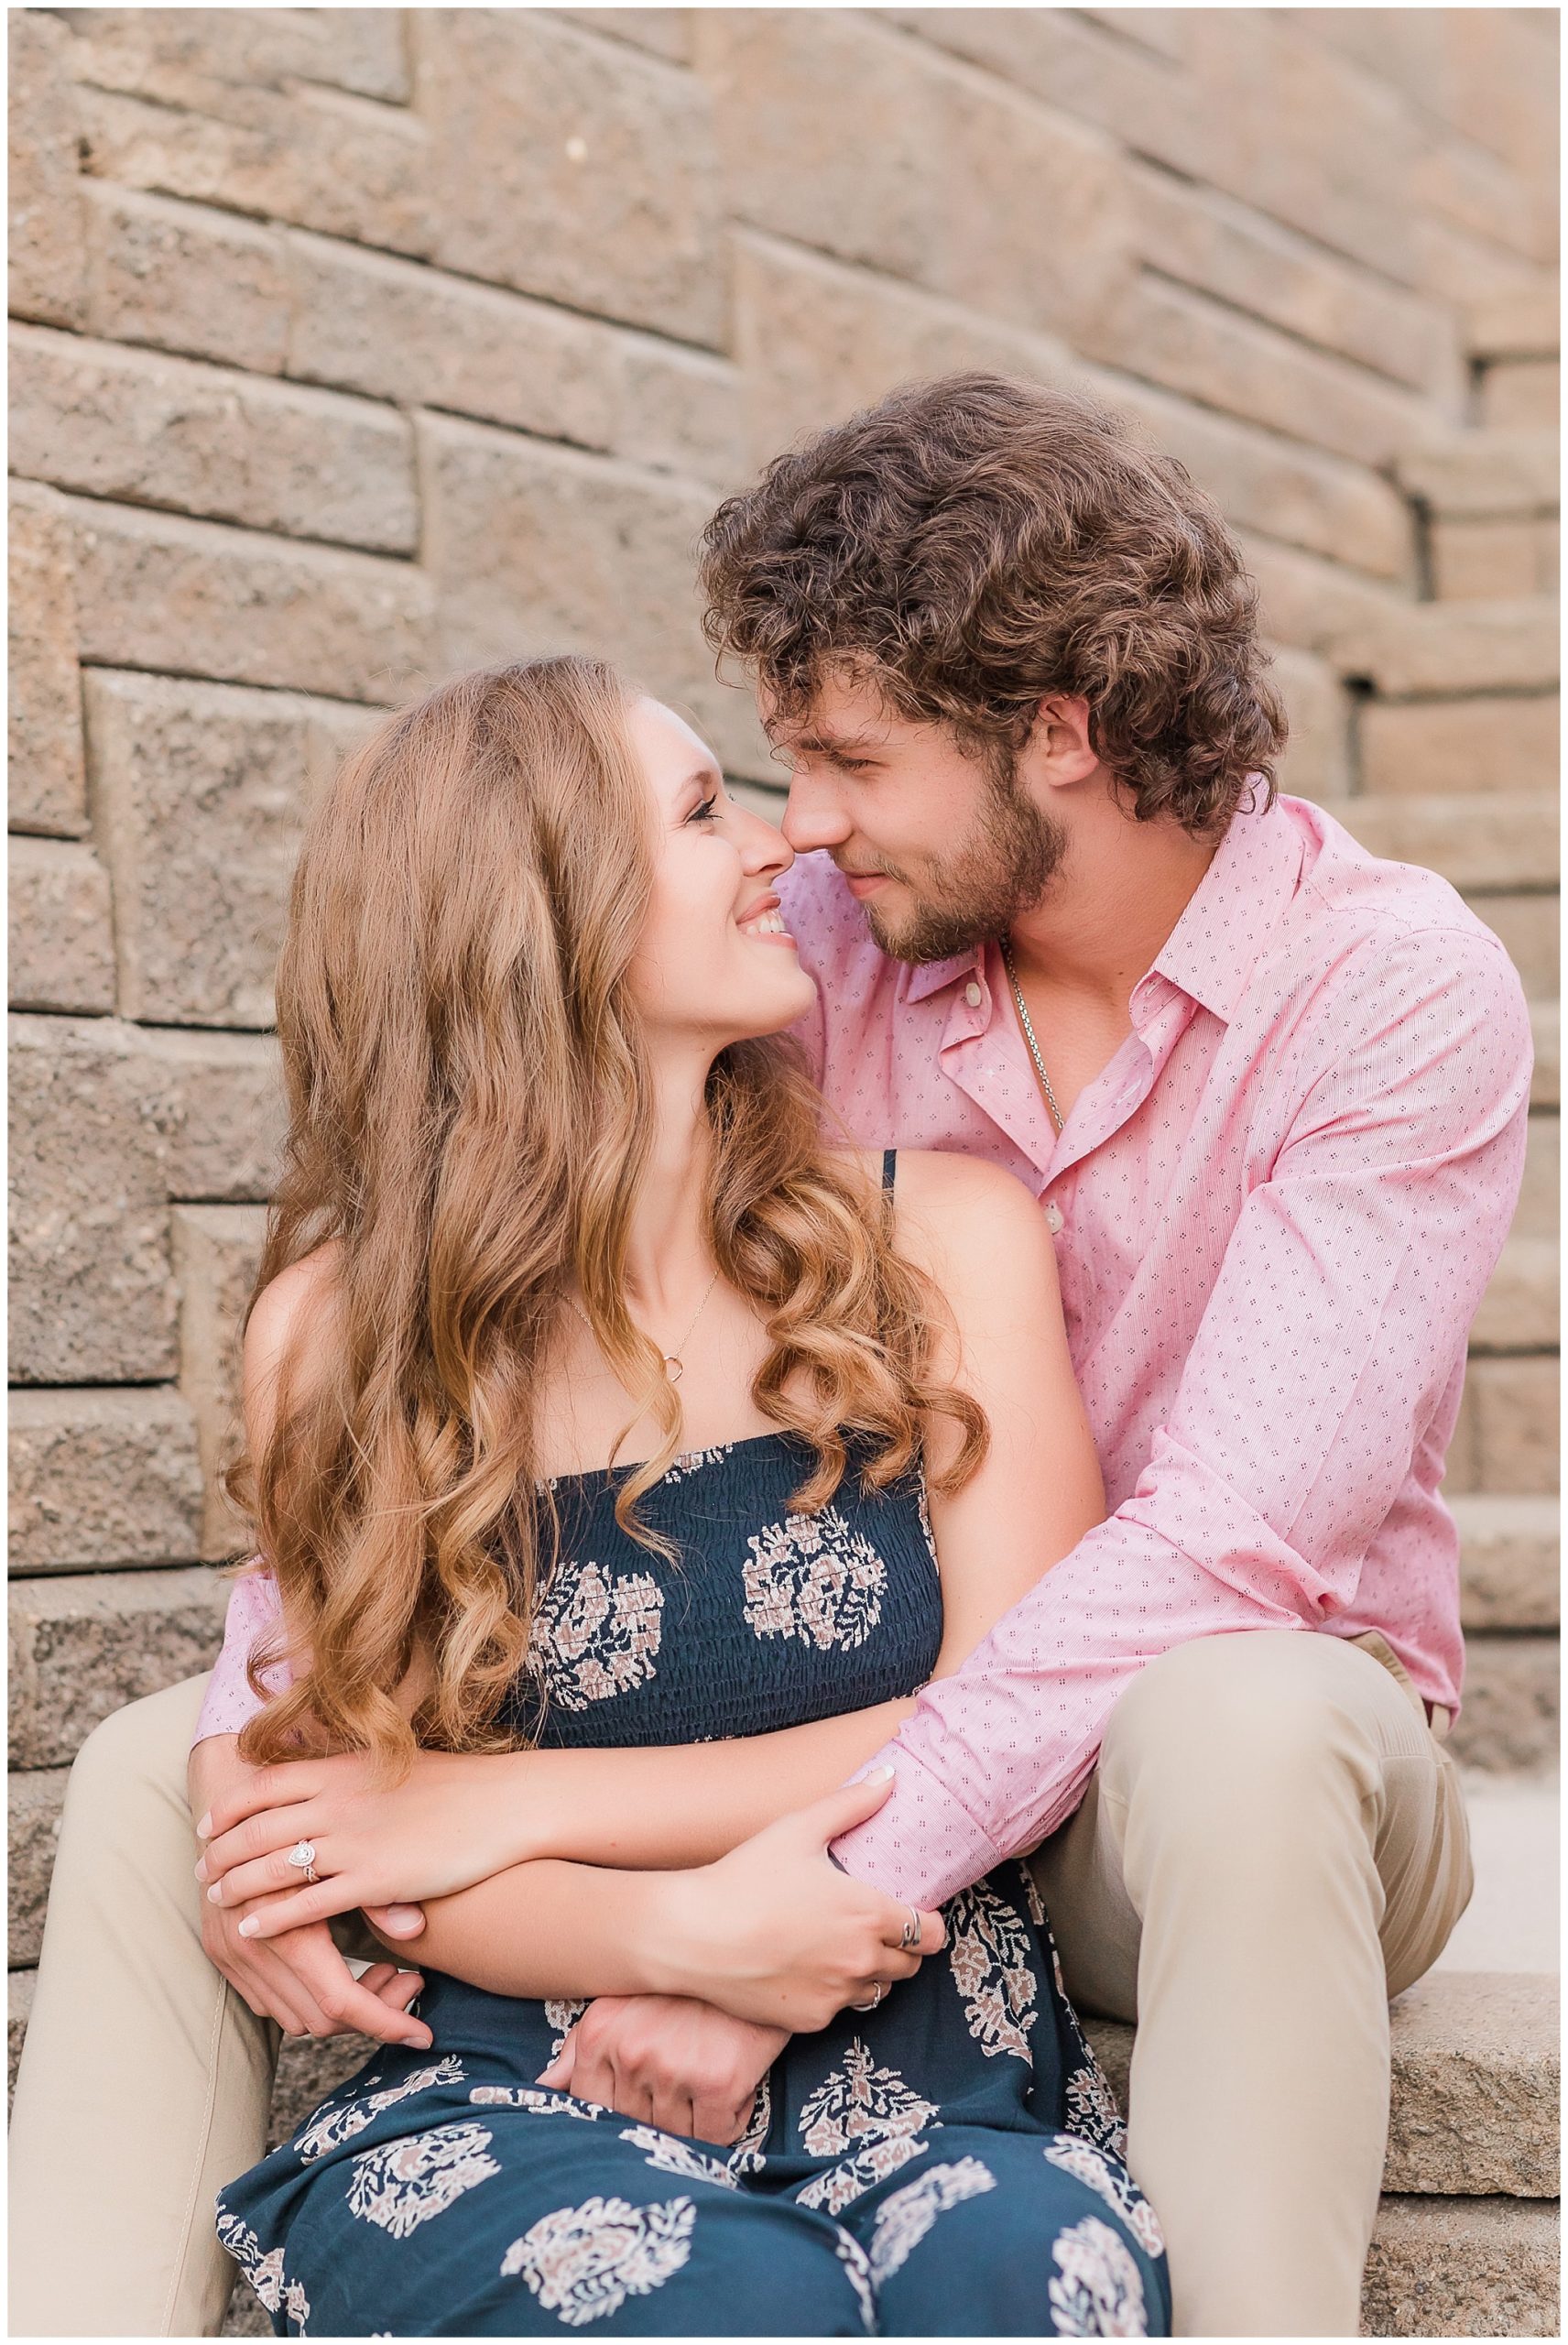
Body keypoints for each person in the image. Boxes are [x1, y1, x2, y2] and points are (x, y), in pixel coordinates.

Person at [9, 372, 1527, 2339]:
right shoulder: (827, 936)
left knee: (1225, 1716)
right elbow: (508, 1196)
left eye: (842, 762)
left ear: (1052, 733)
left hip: (1184, 1812)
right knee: (163, 1769)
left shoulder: (1384, 990)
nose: (798, 826)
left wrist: (685, 1927)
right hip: (869, 1737)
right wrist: (280, 1755)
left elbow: (1210, 1550)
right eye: (761, 779)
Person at [17, 653, 1170, 2340]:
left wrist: (516, 1798)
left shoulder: (941, 1243)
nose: (781, 846)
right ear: (540, 918)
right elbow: (365, 1847)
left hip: (932, 2050)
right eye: (705, 811)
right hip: (517, 2077)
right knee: (723, 2305)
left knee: (1026, 2280)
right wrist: (680, 1931)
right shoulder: (336, 1339)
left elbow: (1027, 1705)